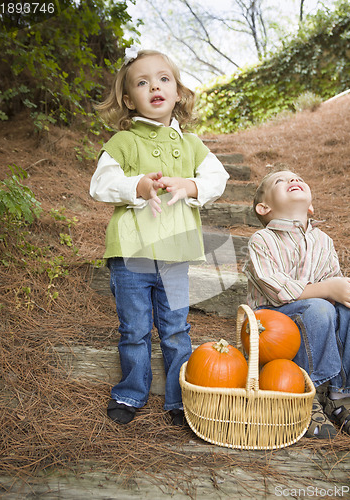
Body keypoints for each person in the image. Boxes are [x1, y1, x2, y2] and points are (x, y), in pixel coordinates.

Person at [90, 47, 229, 425]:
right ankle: (131, 392)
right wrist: (136, 186)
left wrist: (191, 185)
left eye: (163, 78)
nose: (155, 86)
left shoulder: (192, 144)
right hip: (130, 251)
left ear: (178, 92)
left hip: (175, 253)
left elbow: (218, 178)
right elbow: (100, 184)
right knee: (134, 328)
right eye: (142, 81)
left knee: (175, 329)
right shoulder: (123, 142)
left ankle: (178, 399)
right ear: (128, 99)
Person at [243, 170, 350, 441]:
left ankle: (342, 396)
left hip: (317, 314)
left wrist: (342, 291)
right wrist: (328, 289)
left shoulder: (323, 241)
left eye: (297, 178)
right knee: (320, 307)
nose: (293, 181)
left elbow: (331, 283)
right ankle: (308, 394)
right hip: (272, 322)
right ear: (264, 207)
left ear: (311, 206)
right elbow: (278, 291)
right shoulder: (262, 240)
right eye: (281, 181)